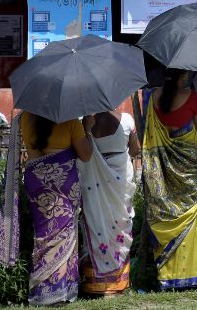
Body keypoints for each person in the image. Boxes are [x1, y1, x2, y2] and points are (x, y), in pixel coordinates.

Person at [142, 68, 197, 290]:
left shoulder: (154, 96)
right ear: (183, 77)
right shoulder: (192, 97)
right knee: (192, 214)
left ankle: (168, 274)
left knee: (169, 212)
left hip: (163, 168)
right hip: (189, 165)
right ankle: (194, 273)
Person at [19, 112, 94, 305]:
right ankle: (59, 289)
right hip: (63, 184)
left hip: (36, 183)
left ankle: (42, 289)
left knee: (44, 233)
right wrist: (88, 129)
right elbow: (86, 155)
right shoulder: (70, 120)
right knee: (64, 234)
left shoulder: (25, 117)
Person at [78, 110, 140, 296]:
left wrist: (87, 130)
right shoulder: (127, 119)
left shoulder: (85, 121)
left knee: (97, 223)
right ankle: (119, 284)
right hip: (121, 182)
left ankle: (95, 284)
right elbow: (136, 149)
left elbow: (83, 152)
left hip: (95, 182)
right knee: (120, 225)